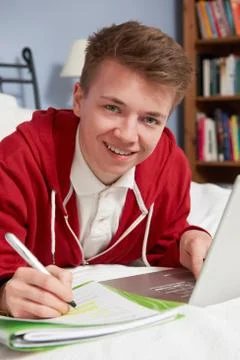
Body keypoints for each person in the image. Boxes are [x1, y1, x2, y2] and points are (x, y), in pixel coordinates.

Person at [0, 21, 211, 319]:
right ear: (78, 100)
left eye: (150, 119)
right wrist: (4, 294)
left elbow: (162, 239)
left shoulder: (171, 164)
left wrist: (187, 242)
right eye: (112, 108)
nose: (127, 135)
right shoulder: (16, 159)